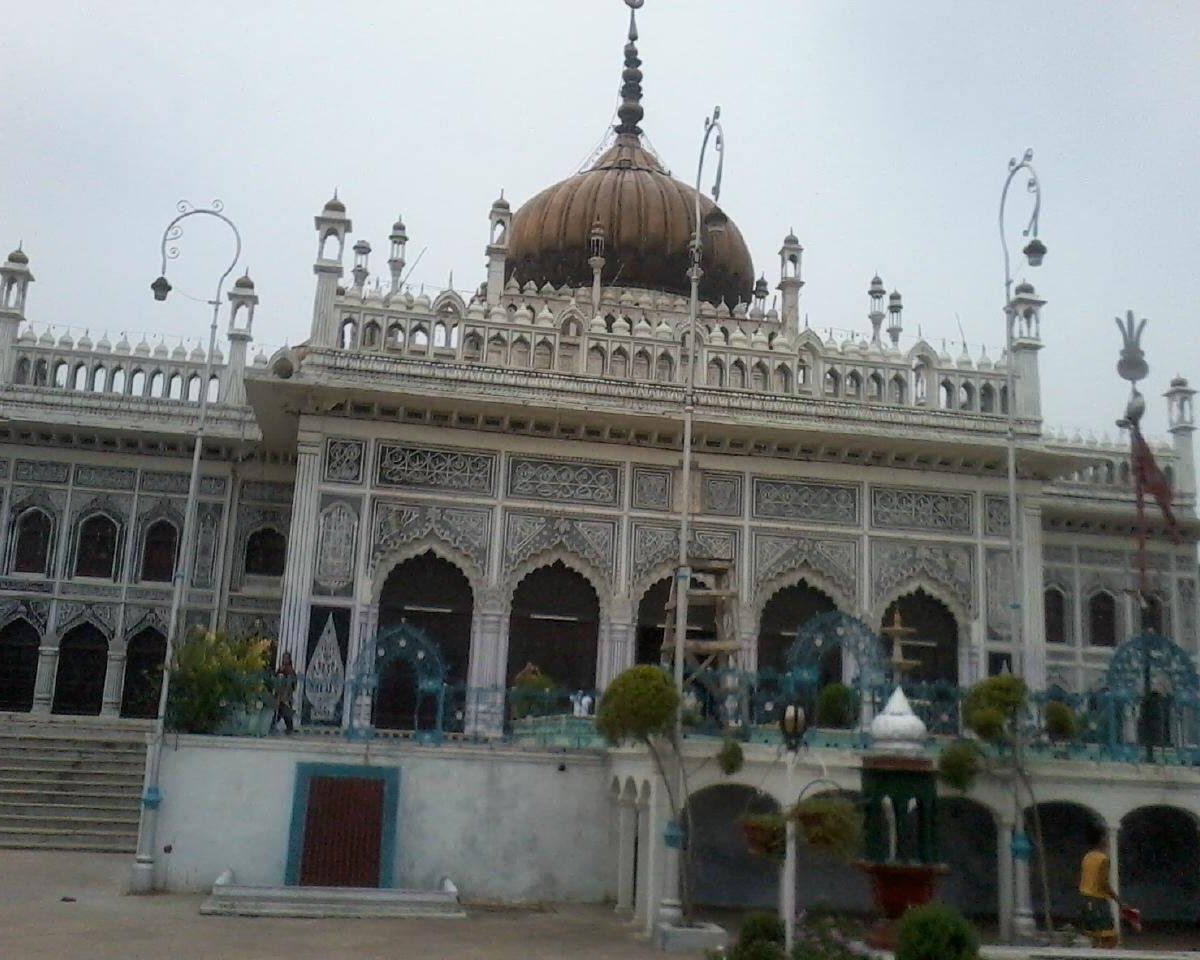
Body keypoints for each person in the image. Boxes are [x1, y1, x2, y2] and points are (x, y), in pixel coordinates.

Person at [1079, 823, 1125, 947]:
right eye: (1105, 837)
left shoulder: (1087, 857)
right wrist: (1118, 901)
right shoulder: (1103, 859)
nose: (1107, 840)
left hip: (1085, 900)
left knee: (1095, 938)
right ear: (1100, 840)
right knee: (1111, 938)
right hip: (1097, 901)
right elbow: (1103, 883)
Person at [273, 652, 298, 734]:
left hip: (286, 696)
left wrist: (287, 693)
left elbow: (293, 683)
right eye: (283, 658)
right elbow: (276, 680)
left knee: (285, 711)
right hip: (279, 695)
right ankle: (273, 725)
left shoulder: (290, 671)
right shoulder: (280, 669)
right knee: (279, 711)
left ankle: (289, 728)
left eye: (286, 658)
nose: (284, 660)